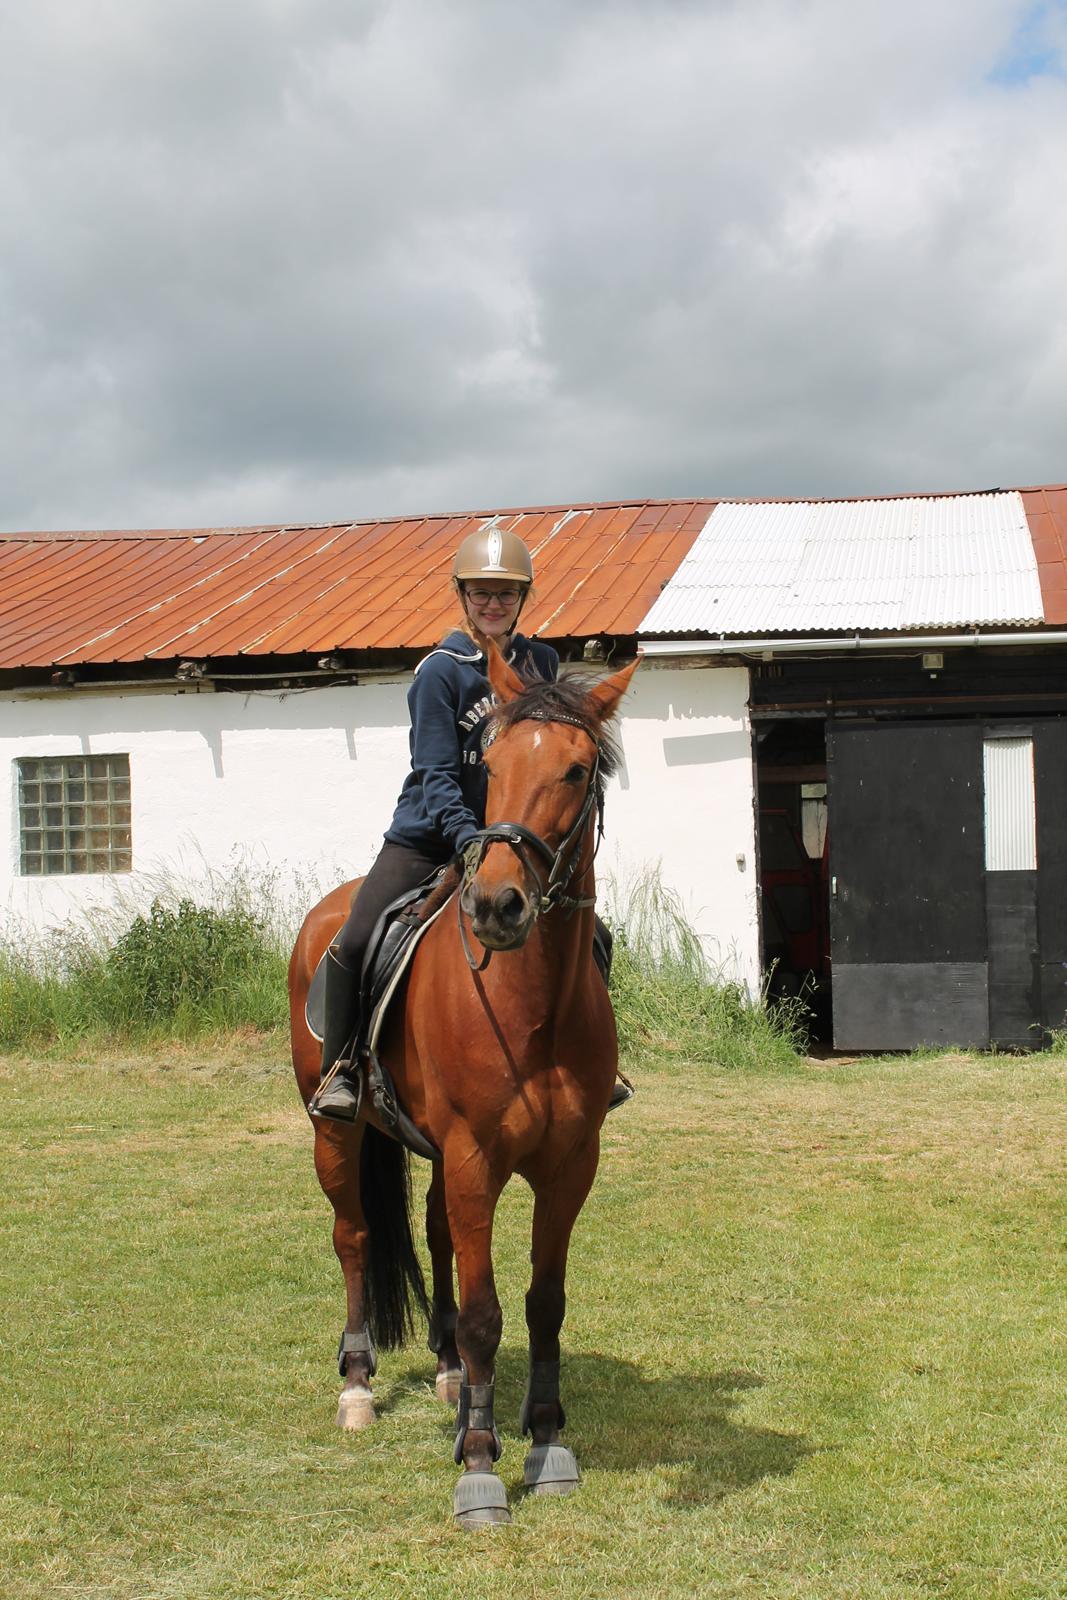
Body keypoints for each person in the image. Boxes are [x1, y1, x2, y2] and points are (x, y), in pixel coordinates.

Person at [310, 526, 558, 1122]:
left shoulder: (543, 663)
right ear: (461, 595)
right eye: (481, 593)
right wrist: (466, 838)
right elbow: (437, 772)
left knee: (587, 933)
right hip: (427, 838)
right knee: (357, 937)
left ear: (523, 598)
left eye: (505, 594)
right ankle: (343, 1068)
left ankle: (588, 1061)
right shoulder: (440, 673)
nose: (493, 604)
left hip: (513, 842)